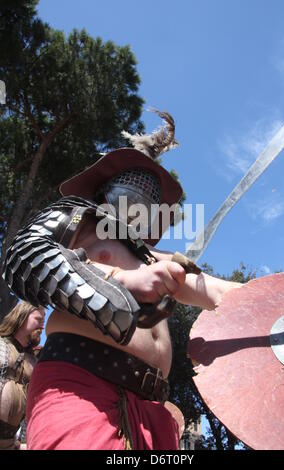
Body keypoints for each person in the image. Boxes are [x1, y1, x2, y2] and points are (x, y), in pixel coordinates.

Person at [2, 110, 240, 450]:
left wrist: (276, 301)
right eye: (135, 183)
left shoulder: (153, 259)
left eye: (149, 192)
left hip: (154, 409)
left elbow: (216, 290)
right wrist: (121, 282)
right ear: (106, 188)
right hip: (80, 386)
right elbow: (25, 255)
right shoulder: (79, 221)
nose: (141, 197)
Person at [0, 301, 45, 450]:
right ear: (22, 316)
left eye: (43, 322)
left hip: (8, 443)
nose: (42, 326)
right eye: (38, 320)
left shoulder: (34, 361)